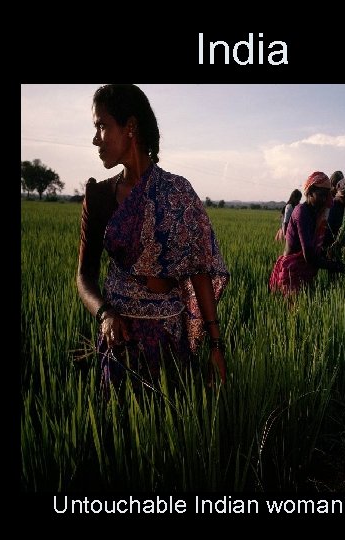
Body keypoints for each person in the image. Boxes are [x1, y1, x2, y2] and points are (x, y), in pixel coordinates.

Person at [76, 84, 230, 394]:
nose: (95, 138)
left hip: (169, 339)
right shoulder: (98, 197)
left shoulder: (178, 193)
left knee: (171, 424)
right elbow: (84, 275)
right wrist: (105, 314)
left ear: (130, 127)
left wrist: (216, 345)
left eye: (102, 126)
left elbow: (198, 270)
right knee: (123, 430)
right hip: (120, 340)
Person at [269, 172, 345, 295]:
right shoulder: (302, 212)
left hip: (306, 272)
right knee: (294, 312)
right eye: (321, 195)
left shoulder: (316, 214)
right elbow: (309, 256)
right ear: (309, 193)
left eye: (327, 196)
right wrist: (334, 266)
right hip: (292, 272)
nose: (325, 199)